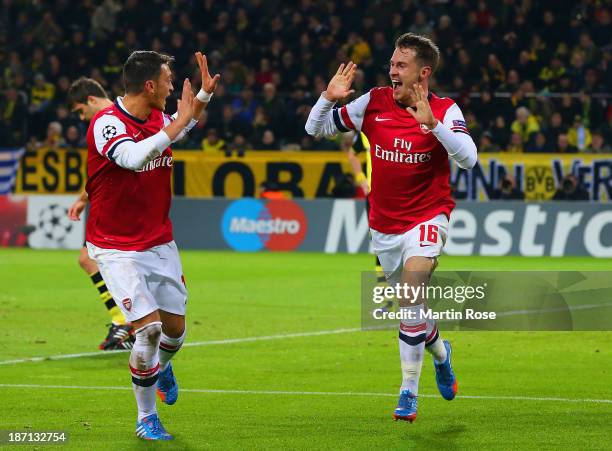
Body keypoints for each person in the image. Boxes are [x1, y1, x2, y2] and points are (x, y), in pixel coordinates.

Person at [306, 32, 477, 422]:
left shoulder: (446, 110)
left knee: (411, 291)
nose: (392, 71)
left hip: (429, 216)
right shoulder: (373, 102)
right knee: (415, 310)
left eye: (401, 65)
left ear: (423, 72)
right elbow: (314, 129)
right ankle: (442, 354)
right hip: (384, 226)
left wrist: (434, 125)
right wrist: (328, 98)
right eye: (391, 65)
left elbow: (468, 159)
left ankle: (408, 392)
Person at [84, 50, 219, 440]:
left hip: (158, 241)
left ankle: (162, 365)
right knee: (148, 330)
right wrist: (177, 124)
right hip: (116, 247)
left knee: (175, 333)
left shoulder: (158, 119)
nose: (172, 85)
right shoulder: (107, 123)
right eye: (167, 79)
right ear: (149, 85)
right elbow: (129, 157)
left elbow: (180, 127)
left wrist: (203, 99)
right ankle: (146, 418)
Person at [66, 77, 135, 351]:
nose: (82, 118)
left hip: (117, 205)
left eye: (81, 110)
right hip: (116, 203)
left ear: (91, 100)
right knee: (91, 259)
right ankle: (128, 322)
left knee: (96, 260)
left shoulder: (105, 120)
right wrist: (84, 198)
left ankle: (130, 322)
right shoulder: (122, 114)